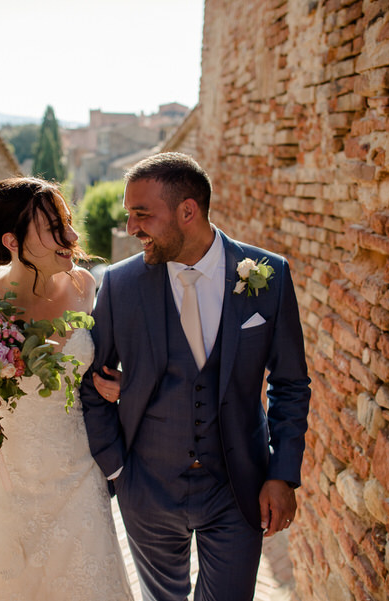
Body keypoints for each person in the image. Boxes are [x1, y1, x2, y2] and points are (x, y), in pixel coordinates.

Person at [81, 153, 311, 601]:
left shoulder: (269, 275)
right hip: (146, 488)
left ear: (188, 211)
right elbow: (91, 383)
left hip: (238, 486)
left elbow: (290, 384)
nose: (131, 228)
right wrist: (117, 468)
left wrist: (282, 474)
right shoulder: (120, 286)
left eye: (142, 214)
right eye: (129, 215)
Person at [0, 177, 133, 601]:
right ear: (13, 241)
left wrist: (120, 386)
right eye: (54, 226)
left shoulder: (85, 287)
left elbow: (113, 365)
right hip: (12, 482)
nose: (73, 237)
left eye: (68, 222)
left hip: (80, 470)